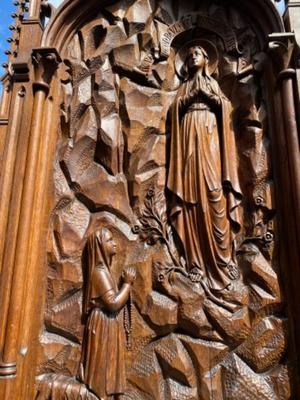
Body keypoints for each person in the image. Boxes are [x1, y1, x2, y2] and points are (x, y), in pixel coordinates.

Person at [167, 41, 242, 291]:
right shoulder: (184, 87)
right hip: (189, 134)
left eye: (197, 53)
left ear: (206, 59)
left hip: (210, 133)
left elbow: (226, 107)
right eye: (188, 56)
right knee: (191, 197)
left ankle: (224, 258)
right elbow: (174, 111)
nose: (191, 57)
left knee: (214, 193)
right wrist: (188, 98)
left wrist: (209, 97)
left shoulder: (213, 84)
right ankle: (195, 262)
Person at [79, 227, 136, 399]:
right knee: (103, 374)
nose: (115, 243)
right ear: (100, 245)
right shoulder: (99, 272)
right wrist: (127, 284)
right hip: (103, 325)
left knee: (111, 372)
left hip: (109, 325)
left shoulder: (105, 270)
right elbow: (112, 303)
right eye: (110, 240)